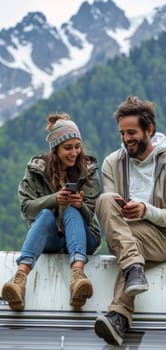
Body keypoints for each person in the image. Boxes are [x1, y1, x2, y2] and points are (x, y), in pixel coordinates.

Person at [94, 96, 166, 346]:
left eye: (132, 132)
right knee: (104, 200)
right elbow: (110, 207)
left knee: (132, 238)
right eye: (122, 133)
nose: (126, 139)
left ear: (150, 130)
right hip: (125, 237)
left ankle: (119, 313)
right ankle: (132, 274)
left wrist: (146, 211)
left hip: (162, 240)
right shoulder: (112, 162)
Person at [1, 113, 101, 311]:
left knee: (72, 210)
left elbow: (91, 217)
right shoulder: (36, 170)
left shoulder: (88, 170)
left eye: (77, 146)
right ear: (55, 150)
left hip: (85, 237)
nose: (74, 152)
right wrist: (55, 199)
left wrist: (80, 205)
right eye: (68, 148)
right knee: (46, 214)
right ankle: (19, 279)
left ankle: (78, 276)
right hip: (52, 238)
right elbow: (26, 209)